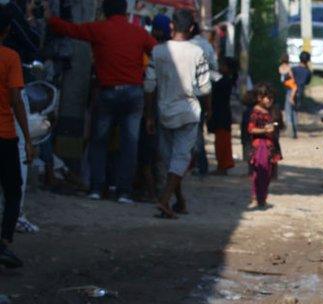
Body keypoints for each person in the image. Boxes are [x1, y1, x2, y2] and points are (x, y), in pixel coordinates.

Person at [46, 0, 156, 203]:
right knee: (129, 144)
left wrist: (49, 18)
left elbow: (71, 30)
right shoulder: (138, 32)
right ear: (125, 11)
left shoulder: (98, 29)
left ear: (104, 11)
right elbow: (157, 53)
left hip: (107, 93)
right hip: (134, 94)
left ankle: (96, 188)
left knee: (99, 141)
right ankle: (124, 192)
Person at [144, 9, 211, 219]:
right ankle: (165, 201)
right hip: (189, 113)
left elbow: (149, 86)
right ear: (191, 28)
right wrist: (208, 111)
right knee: (180, 160)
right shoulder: (197, 52)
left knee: (170, 160)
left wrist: (149, 116)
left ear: (172, 26)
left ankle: (178, 201)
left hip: (164, 112)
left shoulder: (158, 51)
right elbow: (205, 89)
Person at [0, 7, 33, 268]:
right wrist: (29, 140)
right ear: (8, 30)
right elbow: (16, 100)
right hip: (5, 135)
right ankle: (4, 243)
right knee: (12, 191)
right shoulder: (10, 57)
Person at [133, 13, 172, 203]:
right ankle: (160, 191)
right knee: (162, 154)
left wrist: (148, 115)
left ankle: (151, 193)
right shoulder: (172, 52)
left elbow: (149, 85)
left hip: (153, 110)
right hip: (168, 110)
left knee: (148, 153)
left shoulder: (153, 52)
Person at [190, 21, 217, 176]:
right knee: (197, 130)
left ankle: (191, 166)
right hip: (201, 93)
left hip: (181, 94)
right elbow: (214, 69)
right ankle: (201, 165)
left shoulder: (180, 45)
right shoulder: (206, 46)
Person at [247, 83, 280, 209]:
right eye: (267, 97)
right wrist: (264, 131)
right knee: (260, 172)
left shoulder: (268, 111)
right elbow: (251, 129)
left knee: (267, 173)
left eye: (271, 98)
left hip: (268, 145)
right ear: (260, 97)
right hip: (260, 146)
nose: (270, 100)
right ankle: (256, 197)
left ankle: (262, 198)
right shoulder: (256, 112)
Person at [209, 57, 236, 175]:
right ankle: (223, 165)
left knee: (221, 142)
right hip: (224, 114)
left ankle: (222, 166)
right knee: (222, 141)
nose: (220, 67)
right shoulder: (227, 80)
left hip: (220, 114)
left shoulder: (222, 81)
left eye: (222, 65)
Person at [284, 51, 312, 139]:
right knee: (295, 112)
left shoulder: (294, 69)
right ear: (308, 60)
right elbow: (307, 82)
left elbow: (286, 78)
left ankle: (290, 131)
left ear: (299, 58)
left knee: (288, 111)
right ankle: (295, 131)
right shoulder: (308, 72)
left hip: (290, 91)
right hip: (299, 92)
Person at [240, 89, 255, 175]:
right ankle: (251, 171)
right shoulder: (255, 110)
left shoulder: (247, 112)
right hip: (251, 136)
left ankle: (251, 171)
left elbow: (245, 124)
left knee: (249, 153)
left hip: (247, 136)